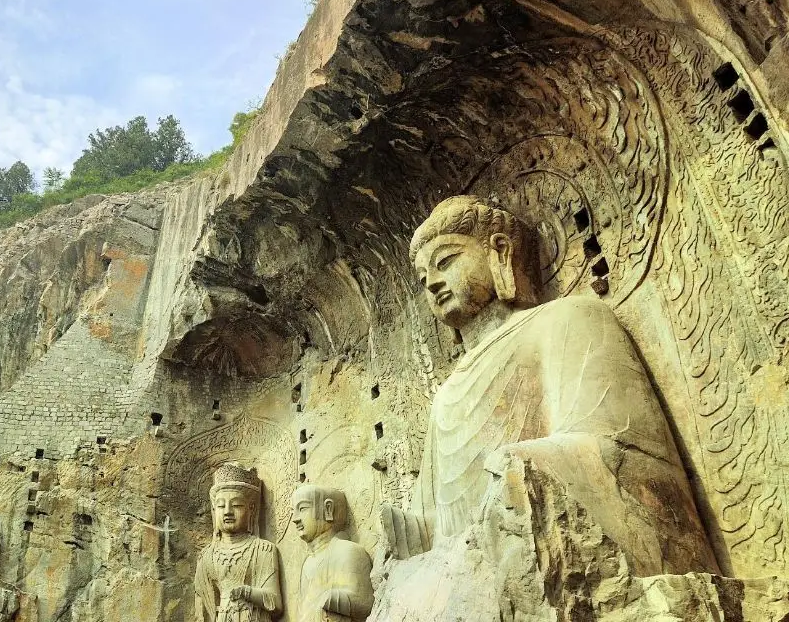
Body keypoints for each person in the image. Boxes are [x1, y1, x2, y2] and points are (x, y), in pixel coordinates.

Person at [381, 195, 718, 576]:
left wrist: (523, 466)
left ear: (499, 251)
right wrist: (411, 533)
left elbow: (626, 451)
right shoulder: (445, 396)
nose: (434, 284)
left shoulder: (567, 319)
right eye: (425, 279)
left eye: (446, 262)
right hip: (467, 574)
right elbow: (438, 521)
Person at [194, 463, 283, 622]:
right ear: (214, 510)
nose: (228, 511)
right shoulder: (207, 556)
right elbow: (201, 611)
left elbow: (275, 604)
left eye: (236, 505)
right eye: (221, 505)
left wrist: (247, 593)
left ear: (252, 509)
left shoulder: (263, 550)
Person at [291, 484, 373, 622]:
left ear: (328, 509)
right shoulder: (307, 563)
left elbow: (366, 604)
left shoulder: (348, 551)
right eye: (293, 511)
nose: (295, 518)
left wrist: (332, 599)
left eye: (302, 508)